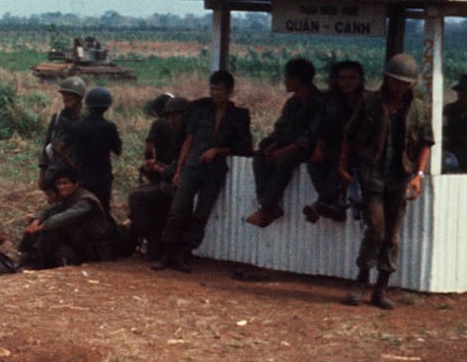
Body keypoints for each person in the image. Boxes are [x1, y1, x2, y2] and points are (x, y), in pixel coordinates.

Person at [340, 53, 433, 310]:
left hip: (400, 177)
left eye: (404, 83)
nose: (399, 87)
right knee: (376, 229)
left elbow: (426, 143)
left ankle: (381, 289)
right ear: (386, 79)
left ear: (412, 84)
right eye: (394, 81)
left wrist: (419, 175)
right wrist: (343, 164)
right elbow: (349, 134)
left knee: (392, 236)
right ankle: (361, 282)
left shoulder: (419, 110)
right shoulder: (369, 103)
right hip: (372, 175)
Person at [155, 70, 252, 272]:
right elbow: (188, 141)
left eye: (220, 89)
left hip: (215, 169)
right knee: (178, 210)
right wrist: (179, 170)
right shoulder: (200, 110)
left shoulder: (239, 116)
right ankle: (166, 255)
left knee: (202, 214)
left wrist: (218, 150)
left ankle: (184, 254)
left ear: (230, 91)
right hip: (191, 165)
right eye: (213, 89)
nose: (216, 93)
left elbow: (244, 146)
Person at [246, 58, 322, 228]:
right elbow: (281, 128)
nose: (284, 81)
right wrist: (272, 145)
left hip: (309, 148)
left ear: (297, 80)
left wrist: (281, 151)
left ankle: (266, 208)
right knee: (260, 157)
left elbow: (310, 136)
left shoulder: (319, 102)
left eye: (287, 77)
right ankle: (269, 206)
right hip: (288, 145)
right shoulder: (292, 103)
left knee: (285, 160)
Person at [304, 60, 366, 223]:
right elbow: (323, 126)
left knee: (340, 160)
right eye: (342, 78)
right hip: (336, 146)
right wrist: (319, 147)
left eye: (352, 78)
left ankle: (321, 203)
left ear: (361, 79)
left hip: (361, 148)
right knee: (314, 162)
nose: (347, 82)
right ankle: (333, 205)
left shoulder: (368, 101)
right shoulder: (330, 101)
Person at [127, 95, 188, 260]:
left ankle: (154, 242)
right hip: (172, 180)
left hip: (178, 184)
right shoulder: (184, 132)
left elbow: (150, 149)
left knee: (138, 198)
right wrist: (157, 167)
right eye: (170, 116)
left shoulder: (167, 127)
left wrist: (156, 166)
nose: (172, 120)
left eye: (175, 115)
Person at [20, 165, 113, 269]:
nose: (61, 187)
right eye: (58, 184)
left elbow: (64, 217)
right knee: (49, 222)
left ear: (75, 184)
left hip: (93, 247)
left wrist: (38, 228)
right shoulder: (68, 197)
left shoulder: (85, 200)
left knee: (56, 225)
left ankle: (35, 256)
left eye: (65, 183)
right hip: (76, 242)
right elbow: (48, 210)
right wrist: (35, 222)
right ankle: (32, 255)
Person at [57, 85, 122, 212]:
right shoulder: (110, 127)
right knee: (102, 210)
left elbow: (59, 149)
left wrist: (72, 165)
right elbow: (118, 151)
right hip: (103, 177)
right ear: (107, 107)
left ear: (88, 106)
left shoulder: (78, 126)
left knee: (81, 210)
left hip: (83, 176)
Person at [38, 76, 86, 187]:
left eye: (70, 95)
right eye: (64, 94)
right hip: (57, 170)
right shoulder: (57, 118)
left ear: (79, 97)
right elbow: (47, 145)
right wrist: (42, 174)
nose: (65, 97)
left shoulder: (87, 120)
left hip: (78, 172)